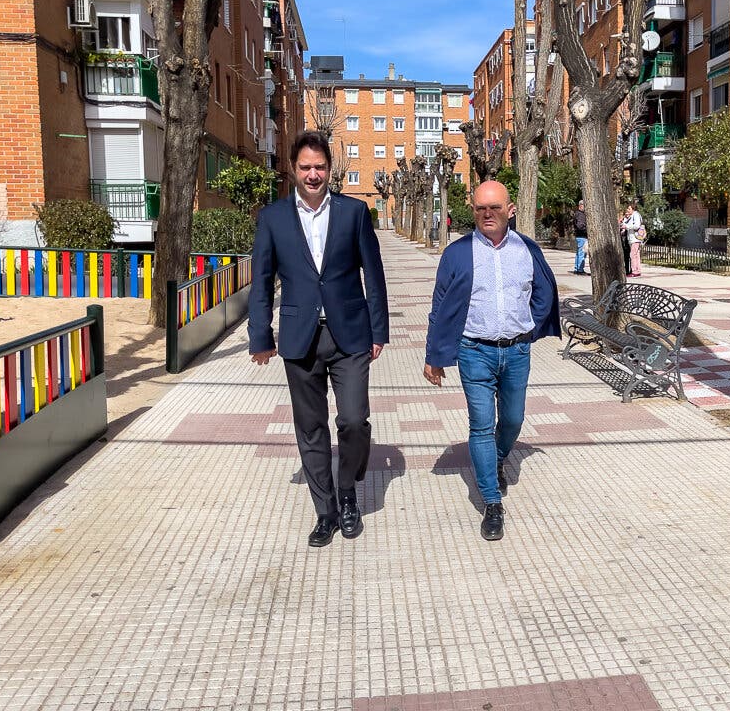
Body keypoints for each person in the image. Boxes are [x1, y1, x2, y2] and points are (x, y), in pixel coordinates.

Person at [248, 130, 389, 548]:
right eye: (306, 167)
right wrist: (260, 335)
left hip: (350, 335)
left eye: (320, 167)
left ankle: (348, 489)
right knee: (310, 428)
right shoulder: (272, 218)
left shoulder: (354, 213)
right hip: (299, 337)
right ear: (293, 169)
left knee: (351, 420)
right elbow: (261, 280)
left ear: (331, 170)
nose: (313, 174)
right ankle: (326, 511)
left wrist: (378, 330)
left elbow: (374, 275)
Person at [422, 180, 560, 541]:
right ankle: (492, 502)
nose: (487, 214)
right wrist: (433, 355)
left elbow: (544, 292)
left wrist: (529, 329)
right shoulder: (457, 253)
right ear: (473, 209)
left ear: (509, 210)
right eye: (481, 207)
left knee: (513, 419)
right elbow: (439, 305)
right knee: (481, 425)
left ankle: (497, 458)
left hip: (516, 352)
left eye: (494, 208)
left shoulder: (528, 250)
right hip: (474, 351)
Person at [621, 202, 643, 277]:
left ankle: (634, 271)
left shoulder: (635, 215)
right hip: (633, 238)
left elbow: (636, 226)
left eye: (629, 208)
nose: (628, 210)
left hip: (634, 238)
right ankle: (637, 270)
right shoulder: (633, 215)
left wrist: (626, 226)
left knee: (633, 255)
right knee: (636, 255)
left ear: (633, 208)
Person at [571, 199, 588, 275]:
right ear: (581, 206)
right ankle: (580, 269)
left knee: (579, 253)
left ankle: (577, 268)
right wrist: (587, 229)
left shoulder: (577, 214)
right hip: (582, 236)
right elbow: (580, 226)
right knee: (582, 253)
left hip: (579, 236)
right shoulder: (580, 215)